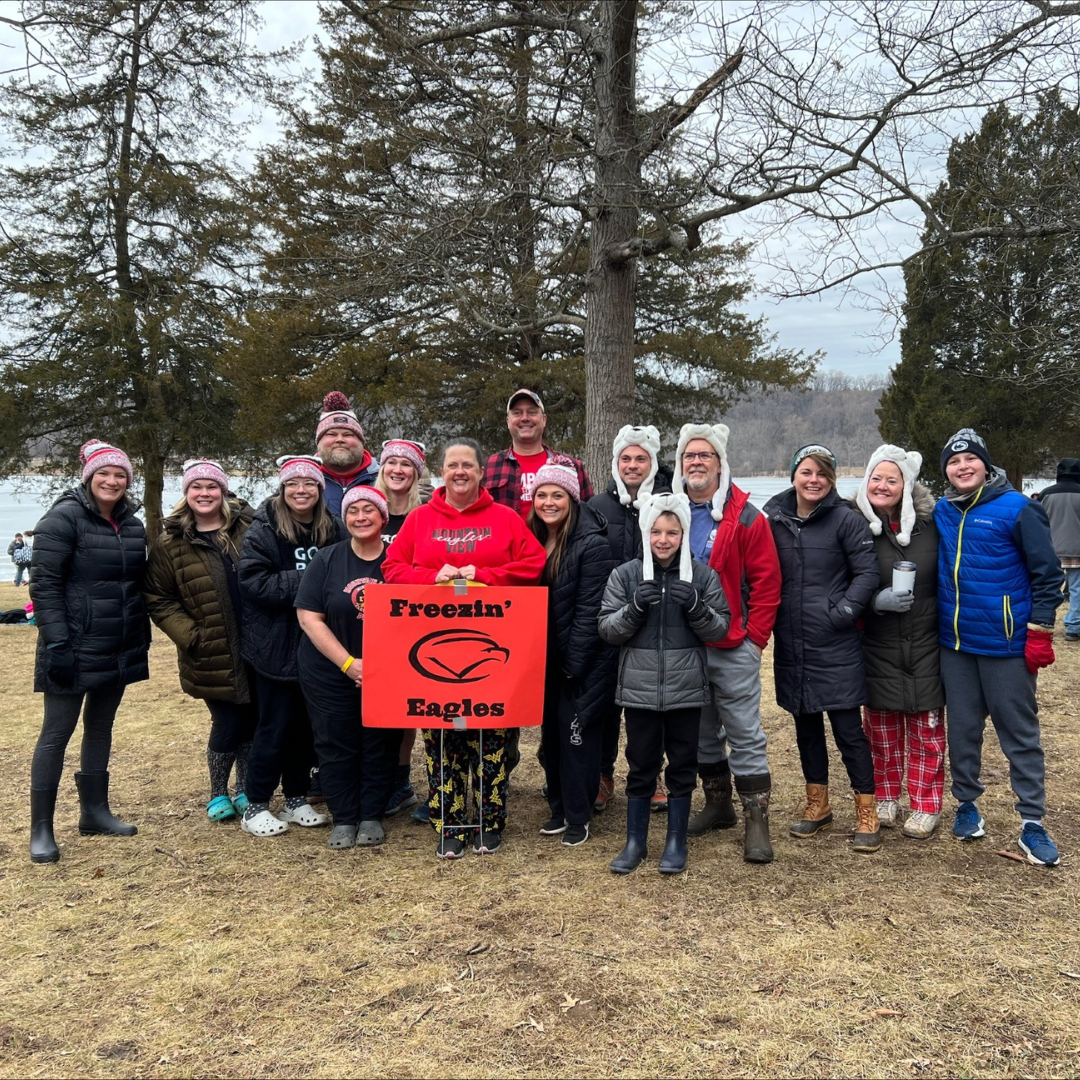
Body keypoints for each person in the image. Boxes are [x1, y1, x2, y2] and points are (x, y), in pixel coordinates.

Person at [383, 437, 547, 858]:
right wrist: (432, 578)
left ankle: (490, 821)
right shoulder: (419, 519)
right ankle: (450, 823)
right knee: (443, 741)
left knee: (491, 741)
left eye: (468, 465)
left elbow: (533, 565)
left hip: (494, 652)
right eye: (452, 464)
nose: (460, 472)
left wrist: (486, 575)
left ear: (480, 472)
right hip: (431, 651)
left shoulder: (506, 518)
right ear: (441, 471)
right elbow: (392, 568)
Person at [935, 429, 1064, 866]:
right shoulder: (942, 510)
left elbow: (1049, 577)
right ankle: (967, 805)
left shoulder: (1019, 509)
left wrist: (1040, 631)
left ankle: (1032, 821)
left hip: (1006, 645)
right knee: (963, 731)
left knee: (1020, 736)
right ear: (946, 472)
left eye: (970, 459)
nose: (962, 466)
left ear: (986, 465)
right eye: (954, 462)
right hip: (955, 645)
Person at [27, 440, 151, 864]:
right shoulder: (62, 519)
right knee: (55, 734)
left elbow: (136, 583)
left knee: (100, 728)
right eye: (104, 474)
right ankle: (41, 827)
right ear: (88, 477)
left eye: (120, 475)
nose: (113, 481)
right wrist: (58, 642)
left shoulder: (133, 525)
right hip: (71, 644)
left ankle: (94, 812)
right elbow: (44, 586)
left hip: (118, 644)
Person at [598, 493, 731, 874]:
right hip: (639, 690)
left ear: (683, 534)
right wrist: (635, 608)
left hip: (686, 689)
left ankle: (676, 841)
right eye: (656, 531)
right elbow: (607, 628)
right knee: (640, 764)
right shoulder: (625, 575)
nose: (663, 539)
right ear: (645, 532)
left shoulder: (702, 577)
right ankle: (635, 841)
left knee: (682, 764)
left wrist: (696, 607)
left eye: (672, 532)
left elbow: (720, 628)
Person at [763, 445, 882, 853]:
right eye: (806, 472)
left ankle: (866, 809)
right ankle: (818, 805)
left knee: (849, 731)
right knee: (806, 729)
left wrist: (842, 612)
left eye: (823, 474)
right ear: (794, 474)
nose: (814, 480)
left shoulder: (846, 520)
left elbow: (868, 573)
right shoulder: (773, 519)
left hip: (836, 641)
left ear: (831, 481)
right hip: (792, 642)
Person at [676, 423, 781, 864]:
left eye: (705, 455)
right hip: (684, 645)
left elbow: (767, 582)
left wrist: (754, 641)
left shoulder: (747, 516)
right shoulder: (669, 510)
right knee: (700, 731)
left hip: (733, 645)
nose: (696, 462)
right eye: (689, 456)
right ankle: (718, 806)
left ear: (720, 463)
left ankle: (757, 819)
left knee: (744, 732)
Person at [237, 455, 345, 837]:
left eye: (310, 484)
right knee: (275, 726)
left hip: (318, 644)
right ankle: (255, 803)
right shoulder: (263, 529)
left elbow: (345, 574)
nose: (301, 491)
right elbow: (253, 582)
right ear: (282, 490)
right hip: (276, 645)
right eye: (293, 485)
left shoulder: (332, 528)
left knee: (304, 726)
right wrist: (311, 581)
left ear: (319, 489)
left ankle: (297, 796)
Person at [144, 459, 257, 822]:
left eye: (212, 487)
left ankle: (244, 788)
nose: (204, 493)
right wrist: (191, 636)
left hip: (255, 643)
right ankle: (217, 793)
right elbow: (158, 597)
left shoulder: (250, 528)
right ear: (186, 493)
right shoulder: (171, 542)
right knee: (227, 721)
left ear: (223, 491)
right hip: (209, 649)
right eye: (197, 487)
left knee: (252, 719)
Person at [296, 485, 400, 849]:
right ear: (344, 517)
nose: (360, 516)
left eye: (369, 510)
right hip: (330, 668)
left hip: (387, 669)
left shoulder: (398, 560)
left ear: (383, 517)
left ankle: (371, 813)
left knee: (380, 741)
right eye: (353, 510)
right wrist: (349, 664)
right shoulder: (326, 560)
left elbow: (416, 615)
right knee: (334, 741)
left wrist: (379, 667)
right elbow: (309, 618)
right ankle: (344, 817)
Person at [852, 445, 945, 839]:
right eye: (876, 478)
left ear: (906, 485)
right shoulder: (854, 525)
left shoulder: (932, 525)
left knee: (926, 728)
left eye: (892, 479)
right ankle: (886, 796)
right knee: (882, 727)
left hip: (926, 637)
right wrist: (875, 602)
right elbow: (843, 583)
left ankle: (926, 804)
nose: (882, 485)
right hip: (877, 638)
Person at [529, 463, 616, 847]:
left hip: (582, 664)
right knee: (551, 738)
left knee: (576, 739)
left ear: (571, 499)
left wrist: (572, 665)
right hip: (543, 661)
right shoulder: (531, 537)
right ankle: (558, 809)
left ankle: (579, 817)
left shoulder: (592, 544)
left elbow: (589, 612)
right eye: (541, 495)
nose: (549, 502)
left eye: (557, 495)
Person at [587, 425, 672, 812]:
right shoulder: (597, 507)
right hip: (609, 618)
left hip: (655, 618)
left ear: (652, 462)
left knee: (649, 708)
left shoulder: (670, 503)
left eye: (641, 458)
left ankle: (651, 775)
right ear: (616, 463)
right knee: (605, 707)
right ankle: (602, 774)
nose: (633, 465)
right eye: (626, 459)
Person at [373, 437, 429, 819]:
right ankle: (384, 780)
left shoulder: (425, 514)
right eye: (391, 462)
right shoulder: (364, 508)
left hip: (416, 620)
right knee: (384, 707)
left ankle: (406, 780)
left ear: (416, 473)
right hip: (371, 620)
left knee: (417, 708)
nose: (397, 469)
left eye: (406, 464)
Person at [484, 389, 593, 520]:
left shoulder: (571, 467)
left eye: (532, 412)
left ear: (544, 419)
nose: (525, 418)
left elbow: (589, 519)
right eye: (517, 413)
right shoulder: (488, 467)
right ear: (508, 421)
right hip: (505, 541)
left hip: (558, 541)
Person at [1036, 458, 1080, 643]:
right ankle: (1073, 627)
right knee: (1077, 589)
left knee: (1048, 588)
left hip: (1050, 549)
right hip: (1078, 549)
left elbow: (1036, 520)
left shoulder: (1046, 493)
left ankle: (1045, 624)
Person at [315, 391, 379, 517]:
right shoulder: (301, 483)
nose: (340, 440)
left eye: (348, 434)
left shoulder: (385, 479)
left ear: (361, 442)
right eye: (331, 434)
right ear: (318, 442)